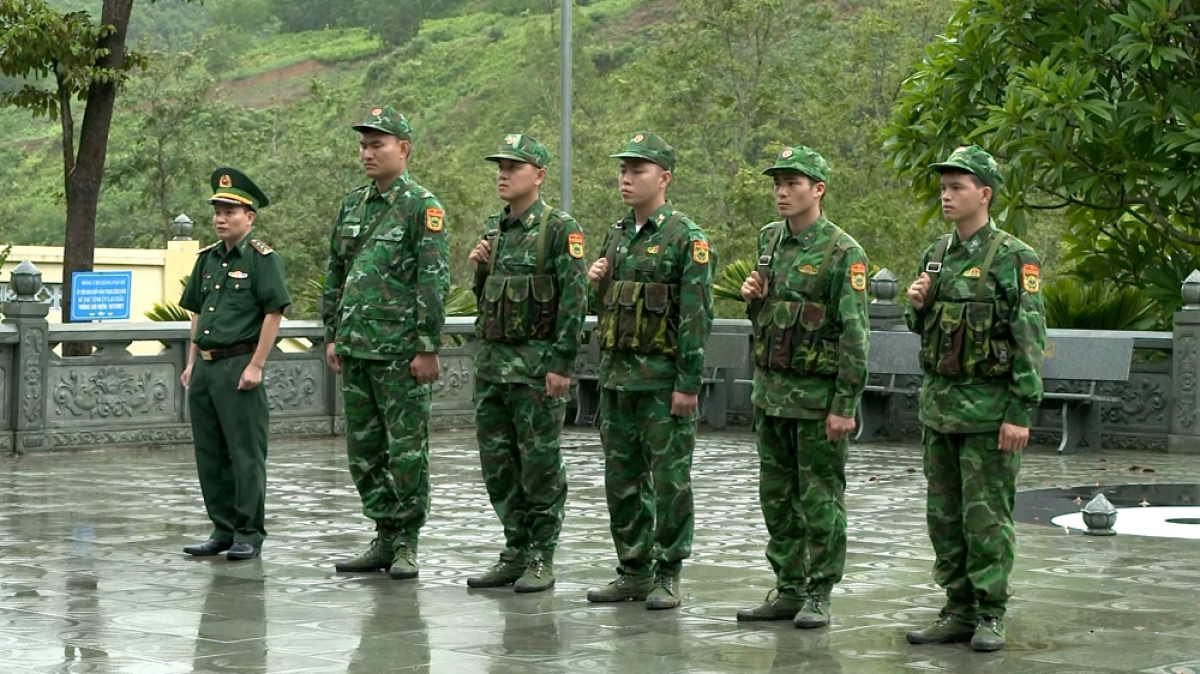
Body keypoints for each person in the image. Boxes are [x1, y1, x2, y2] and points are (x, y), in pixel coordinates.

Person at [903, 145, 1045, 652]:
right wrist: (917, 306)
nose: (946, 195)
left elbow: (1029, 338)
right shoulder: (936, 255)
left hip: (989, 415)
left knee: (985, 519)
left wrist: (1019, 411)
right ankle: (957, 608)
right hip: (940, 411)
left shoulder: (1013, 257)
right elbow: (925, 330)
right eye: (943, 187)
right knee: (944, 518)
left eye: (957, 186)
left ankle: (990, 611)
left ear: (984, 194)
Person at [735, 146, 869, 628]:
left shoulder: (842, 252)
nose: (782, 191)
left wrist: (844, 404)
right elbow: (769, 321)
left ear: (818, 189)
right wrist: (753, 299)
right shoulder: (769, 241)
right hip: (771, 397)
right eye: (777, 183)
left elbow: (855, 335)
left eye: (793, 182)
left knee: (820, 500)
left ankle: (819, 592)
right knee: (776, 497)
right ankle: (788, 586)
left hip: (816, 403)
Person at [584, 132, 715, 610]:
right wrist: (595, 283)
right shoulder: (616, 234)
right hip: (618, 381)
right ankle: (633, 569)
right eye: (623, 170)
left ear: (663, 178)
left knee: (669, 481)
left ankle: (668, 571)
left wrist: (687, 383)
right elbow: (609, 311)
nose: (626, 178)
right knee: (621, 480)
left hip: (661, 383)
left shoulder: (686, 238)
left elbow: (697, 316)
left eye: (637, 170)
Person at [322, 105, 450, 580]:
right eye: (364, 145)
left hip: (400, 352)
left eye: (378, 144)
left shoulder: (422, 207)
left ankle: (406, 541)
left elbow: (432, 279)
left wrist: (427, 345)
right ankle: (382, 531)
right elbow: (336, 269)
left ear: (404, 148)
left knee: (406, 451)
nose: (368, 153)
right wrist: (331, 333)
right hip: (355, 348)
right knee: (364, 450)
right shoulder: (353, 204)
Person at [465, 133, 588, 593]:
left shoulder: (559, 230)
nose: (502, 174)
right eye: (499, 166)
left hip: (535, 372)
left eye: (512, 167)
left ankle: (541, 553)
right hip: (492, 370)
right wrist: (479, 269)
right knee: (498, 464)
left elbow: (574, 303)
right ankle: (514, 548)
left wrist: (561, 365)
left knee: (539, 466)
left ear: (537, 176)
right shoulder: (494, 232)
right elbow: (486, 303)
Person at [180, 167, 290, 561]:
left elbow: (273, 314)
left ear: (250, 216)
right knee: (209, 453)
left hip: (239, 364)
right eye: (217, 211)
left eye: (230, 211)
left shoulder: (263, 260)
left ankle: (248, 532)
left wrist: (257, 365)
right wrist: (192, 361)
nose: (220, 218)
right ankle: (222, 529)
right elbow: (195, 312)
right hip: (207, 368)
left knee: (245, 455)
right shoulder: (206, 259)